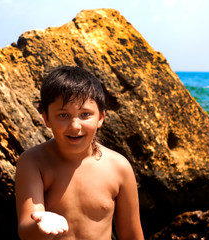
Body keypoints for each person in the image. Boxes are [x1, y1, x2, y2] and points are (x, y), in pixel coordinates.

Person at [15, 66, 144, 240]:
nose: (75, 126)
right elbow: (26, 230)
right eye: (63, 115)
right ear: (46, 119)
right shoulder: (33, 162)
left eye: (85, 114)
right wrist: (41, 225)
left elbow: (131, 235)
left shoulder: (119, 168)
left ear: (100, 118)